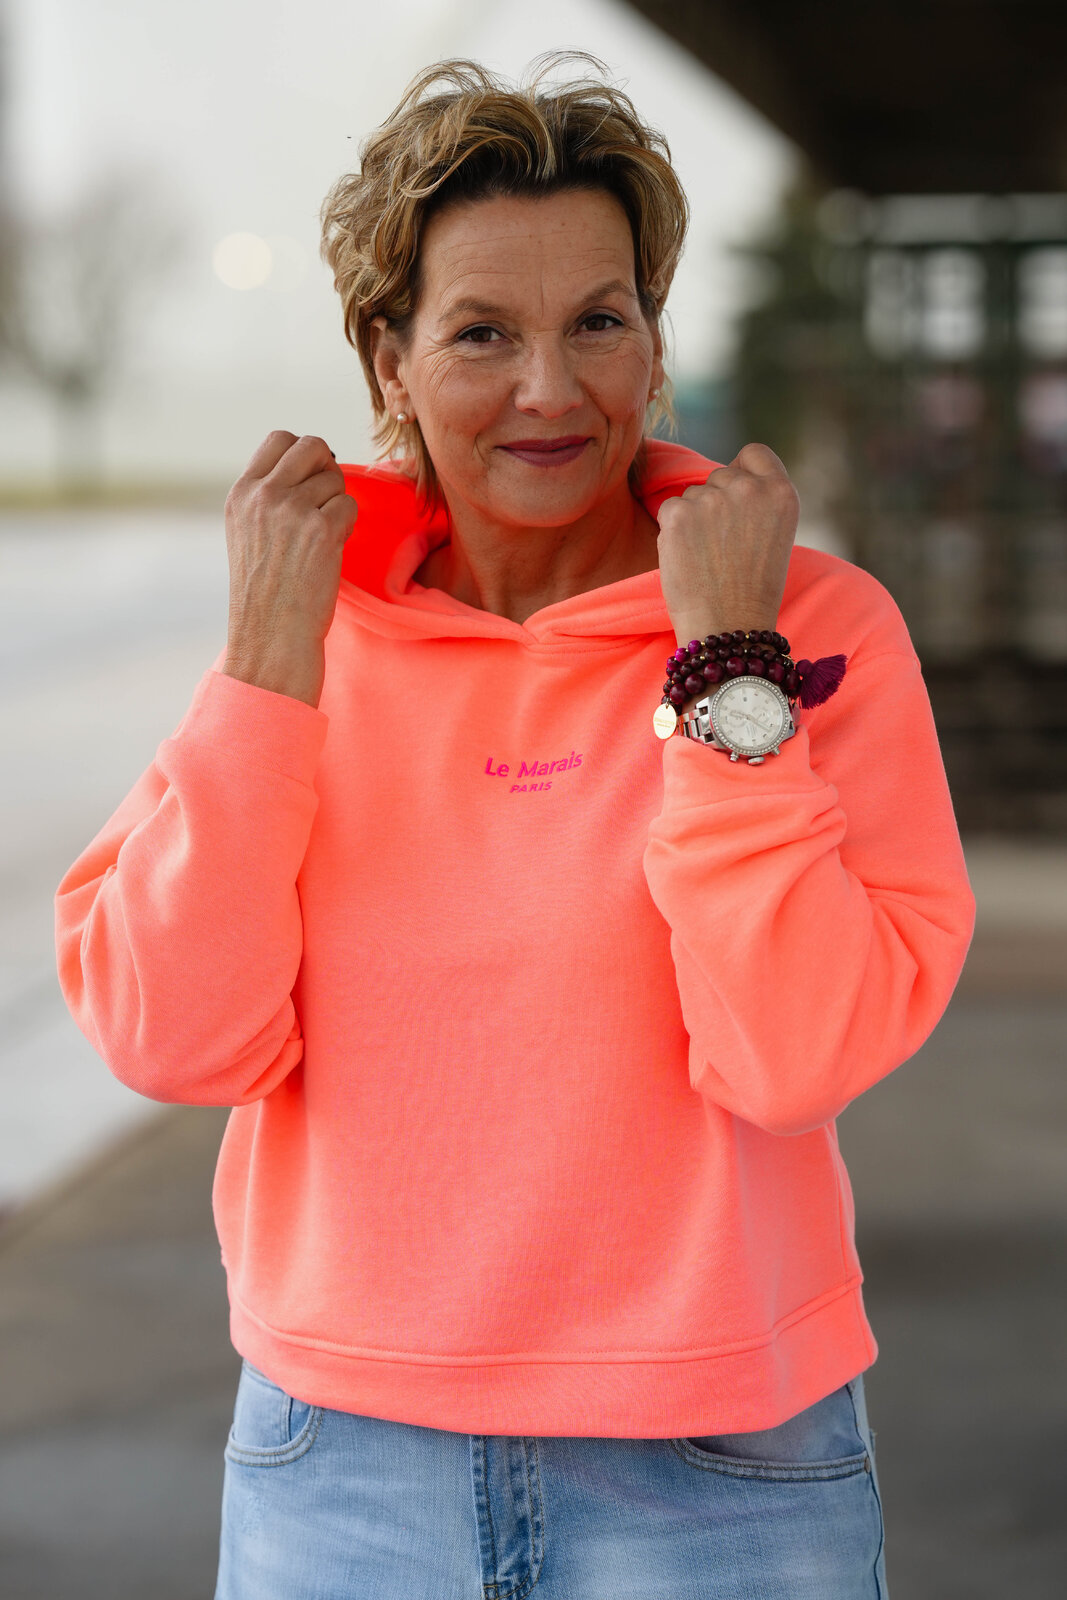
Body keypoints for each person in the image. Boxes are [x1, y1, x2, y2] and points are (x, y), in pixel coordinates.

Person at [55, 54, 974, 1600]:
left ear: (654, 340)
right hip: (342, 1469)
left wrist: (725, 662)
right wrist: (266, 673)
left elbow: (795, 1052)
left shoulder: (811, 626)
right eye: (483, 332)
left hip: (726, 1476)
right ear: (390, 358)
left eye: (598, 322)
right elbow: (175, 1038)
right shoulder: (305, 638)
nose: (552, 390)